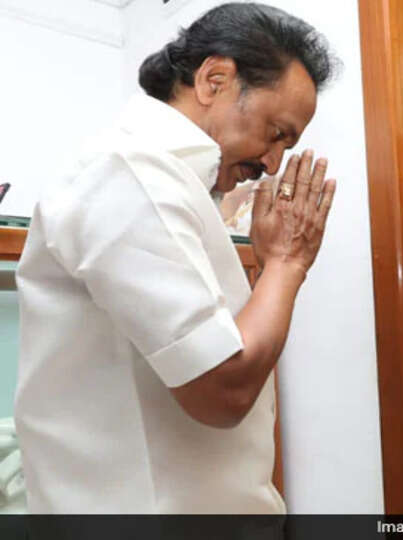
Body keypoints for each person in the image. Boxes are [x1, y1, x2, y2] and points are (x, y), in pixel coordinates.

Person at [14, 3, 337, 513]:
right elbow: (222, 391)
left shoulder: (171, 182)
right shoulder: (128, 173)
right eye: (276, 133)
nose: (274, 163)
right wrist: (286, 263)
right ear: (214, 79)